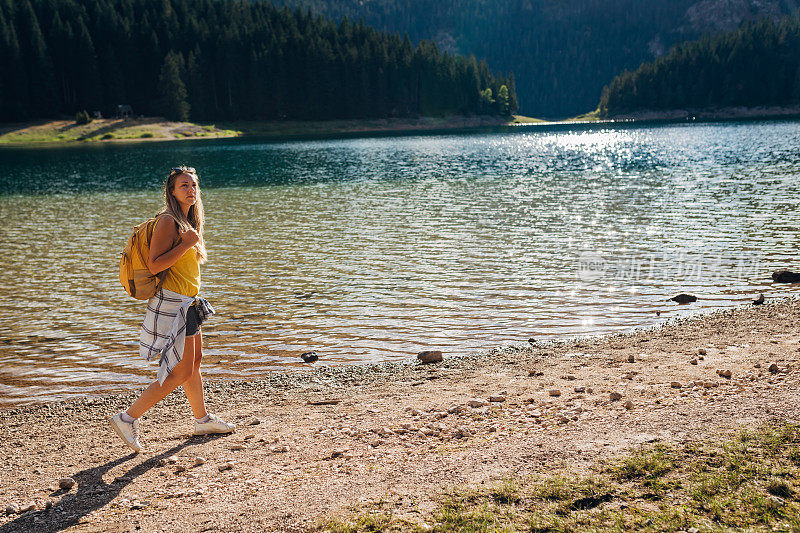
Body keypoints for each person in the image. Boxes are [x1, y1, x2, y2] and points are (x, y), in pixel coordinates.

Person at [110, 166, 234, 452]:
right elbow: (155, 264)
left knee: (195, 361)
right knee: (178, 372)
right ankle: (127, 418)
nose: (190, 190)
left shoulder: (188, 222)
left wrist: (191, 238)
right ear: (171, 191)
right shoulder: (169, 221)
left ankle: (202, 420)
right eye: (183, 185)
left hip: (188, 302)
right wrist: (187, 243)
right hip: (173, 303)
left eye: (193, 185)